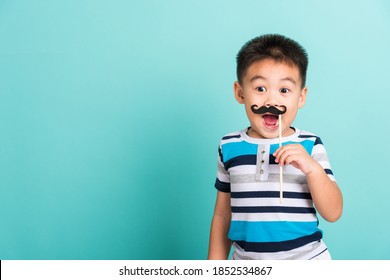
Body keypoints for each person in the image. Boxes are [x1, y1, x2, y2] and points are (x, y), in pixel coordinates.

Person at [207, 34, 343, 260]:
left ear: (301, 97)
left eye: (284, 90)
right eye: (260, 88)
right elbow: (223, 215)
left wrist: (312, 169)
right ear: (240, 92)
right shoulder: (229, 146)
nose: (271, 100)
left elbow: (333, 212)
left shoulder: (310, 145)